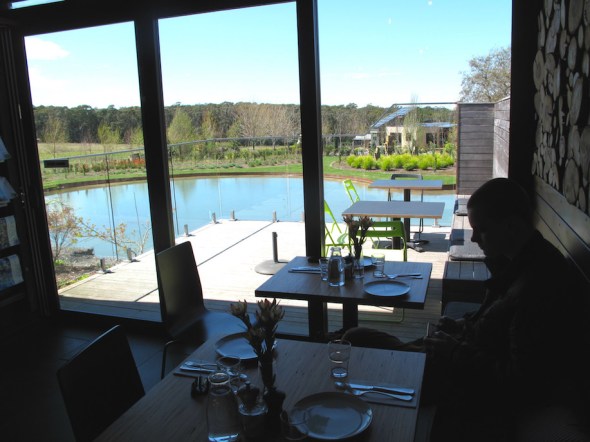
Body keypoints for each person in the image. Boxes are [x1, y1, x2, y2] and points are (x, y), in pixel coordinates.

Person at [343, 178, 589, 441]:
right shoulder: (521, 263)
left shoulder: (538, 288)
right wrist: (462, 324)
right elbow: (495, 319)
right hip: (458, 356)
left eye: (481, 230)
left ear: (511, 227)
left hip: (458, 381)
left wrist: (454, 351)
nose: (473, 238)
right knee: (354, 339)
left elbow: (519, 381)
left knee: (354, 343)